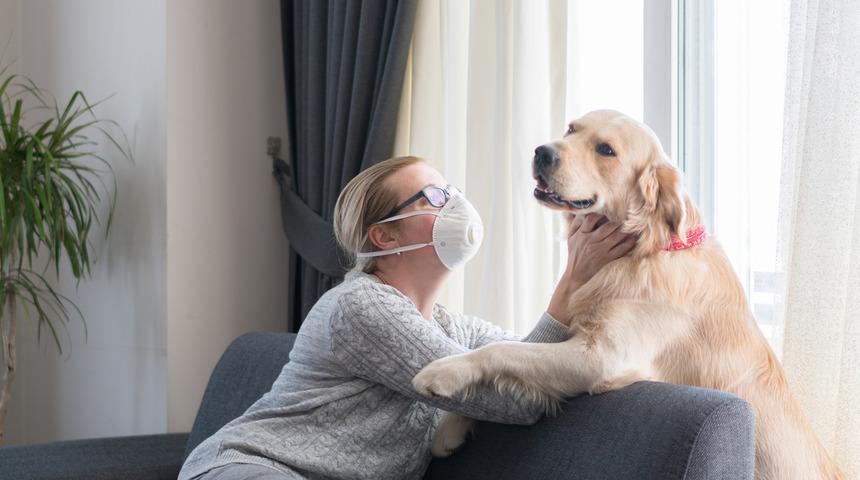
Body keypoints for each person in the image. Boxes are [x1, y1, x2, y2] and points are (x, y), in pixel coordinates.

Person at [178, 156, 636, 480]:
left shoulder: (452, 329)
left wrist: (594, 287)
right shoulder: (361, 306)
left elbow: (530, 372)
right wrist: (572, 277)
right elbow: (511, 404)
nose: (455, 203)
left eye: (452, 191)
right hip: (254, 466)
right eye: (434, 196)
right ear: (385, 236)